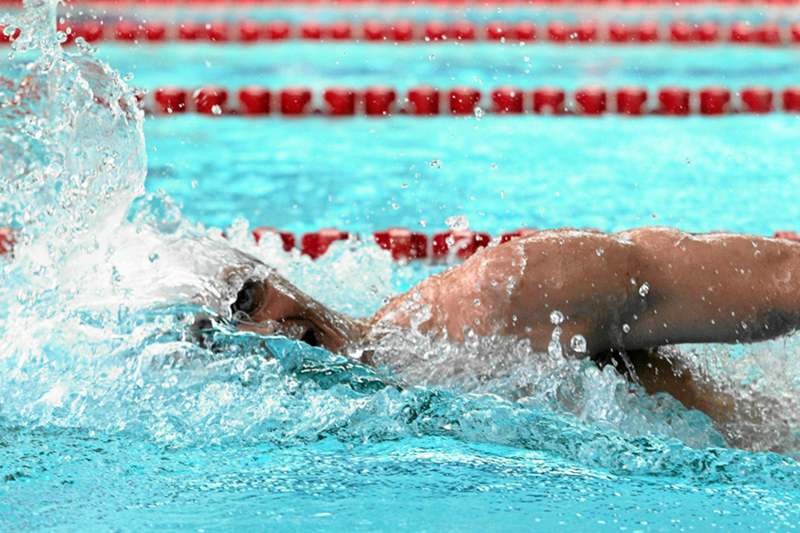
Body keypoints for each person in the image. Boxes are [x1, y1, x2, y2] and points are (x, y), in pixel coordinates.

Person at [213, 227, 800, 444]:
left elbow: (782, 281)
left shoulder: (501, 296)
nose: (270, 334)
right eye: (225, 333)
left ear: (274, 273)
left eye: (249, 299)